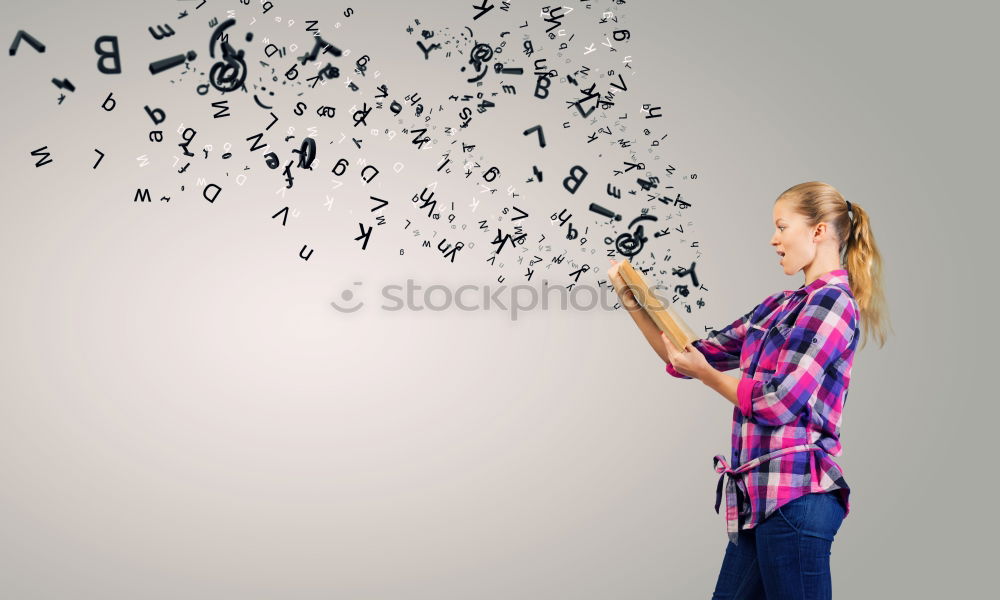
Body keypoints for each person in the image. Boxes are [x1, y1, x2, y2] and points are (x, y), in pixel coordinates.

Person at [607, 181, 891, 599]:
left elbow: (780, 401)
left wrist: (705, 374)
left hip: (796, 497)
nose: (774, 239)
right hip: (757, 502)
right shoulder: (776, 307)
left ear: (818, 232)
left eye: (782, 226)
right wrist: (631, 297)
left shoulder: (833, 302)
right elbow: (688, 356)